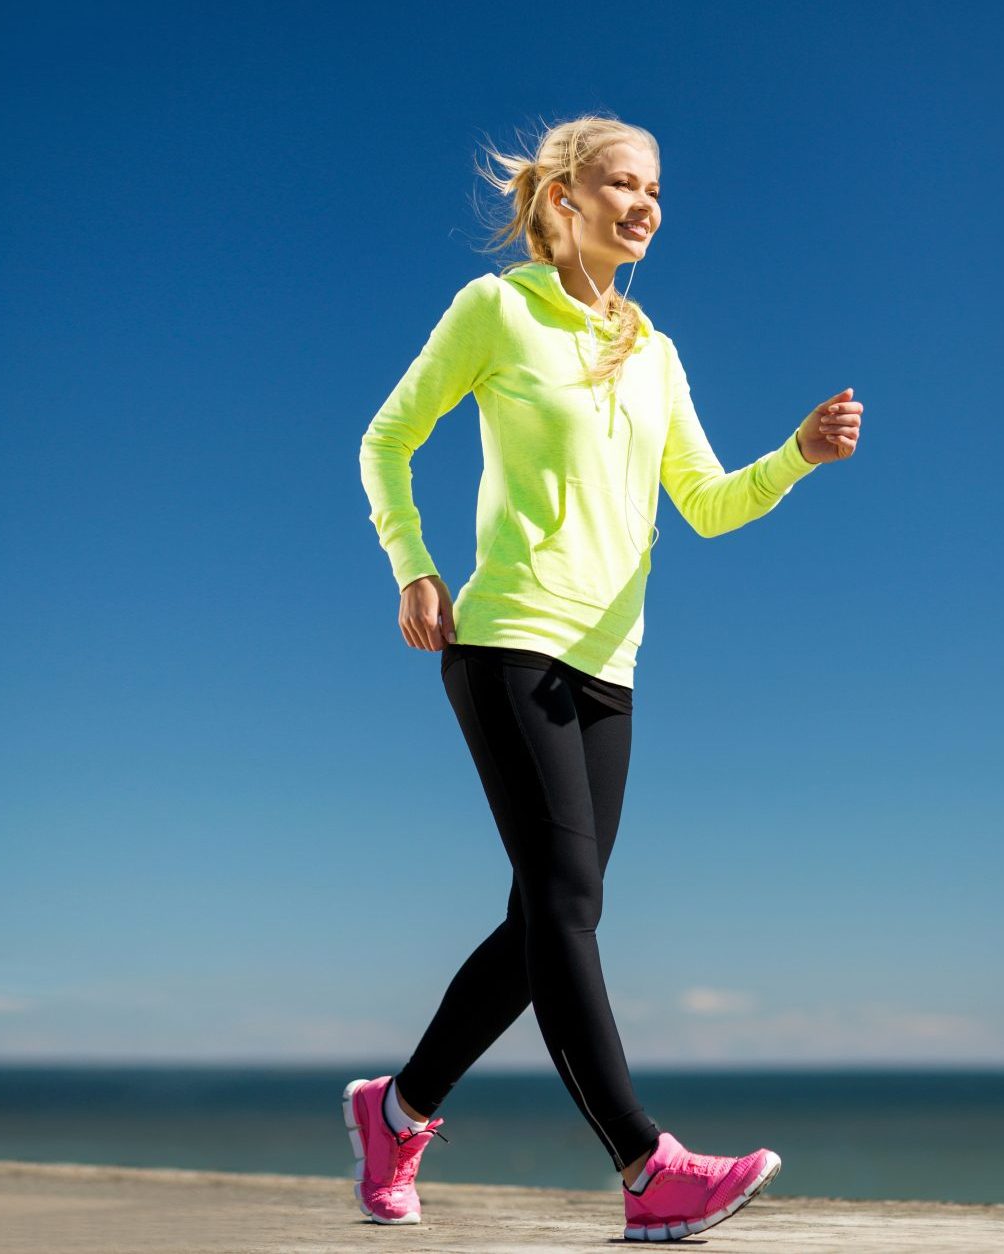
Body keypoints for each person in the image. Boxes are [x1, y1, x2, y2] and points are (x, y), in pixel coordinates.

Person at [346, 113, 863, 1242]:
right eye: (622, 184)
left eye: (658, 191)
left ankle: (397, 1111)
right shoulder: (497, 311)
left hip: (607, 663)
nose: (645, 205)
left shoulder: (658, 353)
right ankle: (647, 1167)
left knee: (549, 916)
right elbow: (386, 439)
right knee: (570, 906)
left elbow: (709, 507)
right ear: (563, 198)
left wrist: (797, 457)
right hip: (506, 640)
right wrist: (413, 565)